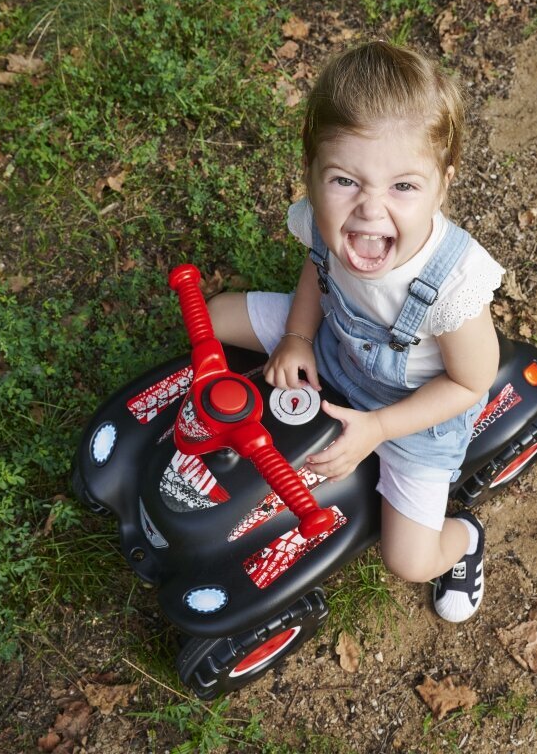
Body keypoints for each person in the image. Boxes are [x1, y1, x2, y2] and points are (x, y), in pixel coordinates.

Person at [208, 41, 504, 623]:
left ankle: (463, 539)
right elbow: (319, 271)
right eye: (345, 180)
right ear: (313, 173)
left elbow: (471, 383)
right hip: (331, 343)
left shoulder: (452, 283)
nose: (369, 210)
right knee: (217, 315)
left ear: (443, 184)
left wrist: (378, 428)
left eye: (403, 187)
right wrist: (296, 335)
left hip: (414, 408)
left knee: (410, 559)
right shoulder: (327, 221)